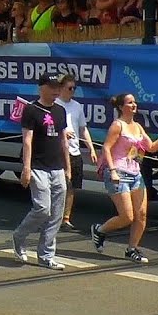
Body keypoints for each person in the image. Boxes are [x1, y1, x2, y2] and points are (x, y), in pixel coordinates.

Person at [92, 94, 158, 264]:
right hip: (119, 173)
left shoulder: (137, 127)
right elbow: (106, 148)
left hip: (135, 174)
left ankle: (132, 249)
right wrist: (113, 171)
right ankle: (100, 230)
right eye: (130, 103)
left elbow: (150, 148)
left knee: (142, 214)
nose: (134, 105)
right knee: (127, 217)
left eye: (134, 102)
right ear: (122, 107)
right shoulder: (118, 125)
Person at [12, 73, 71, 270]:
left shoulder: (61, 111)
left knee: (56, 214)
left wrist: (67, 167)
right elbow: (27, 140)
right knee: (42, 209)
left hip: (57, 167)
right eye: (52, 86)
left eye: (58, 87)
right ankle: (19, 236)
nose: (56, 90)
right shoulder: (31, 110)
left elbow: (64, 141)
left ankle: (46, 255)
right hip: (38, 166)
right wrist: (26, 168)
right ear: (41, 87)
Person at [55, 74, 95, 231]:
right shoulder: (55, 105)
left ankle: (66, 218)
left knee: (72, 186)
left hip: (74, 151)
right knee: (58, 185)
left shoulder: (77, 106)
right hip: (58, 151)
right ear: (61, 88)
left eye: (74, 88)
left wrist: (91, 148)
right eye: (69, 88)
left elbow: (83, 129)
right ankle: (53, 217)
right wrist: (62, 133)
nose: (72, 91)